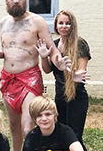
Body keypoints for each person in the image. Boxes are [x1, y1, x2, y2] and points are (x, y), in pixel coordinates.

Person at [0, 0, 71, 151]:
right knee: (13, 125)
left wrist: (59, 62)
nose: (16, 0)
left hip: (29, 79)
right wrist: (1, 54)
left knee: (28, 127)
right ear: (6, 0)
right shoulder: (3, 22)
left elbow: (52, 49)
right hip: (8, 79)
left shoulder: (37, 22)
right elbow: (12, 49)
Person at [35, 10, 91, 151]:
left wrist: (75, 76)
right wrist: (43, 56)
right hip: (60, 96)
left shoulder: (80, 44)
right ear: (56, 26)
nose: (64, 26)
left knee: (75, 137)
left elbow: (81, 70)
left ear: (73, 26)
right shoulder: (54, 44)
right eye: (61, 23)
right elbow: (47, 70)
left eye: (68, 23)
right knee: (61, 137)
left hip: (76, 97)